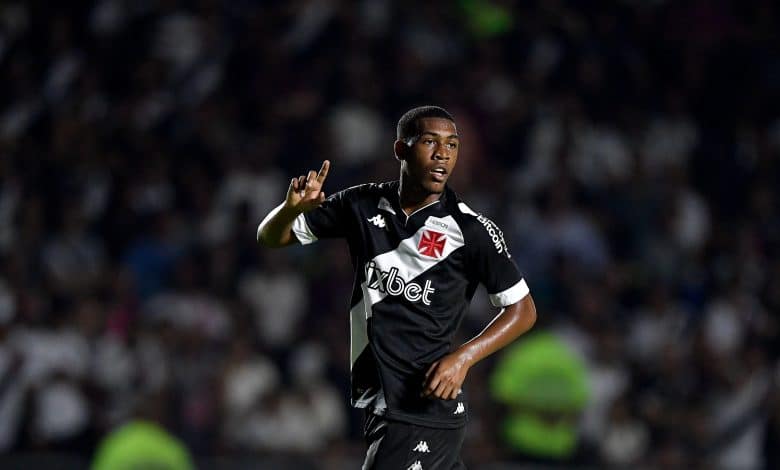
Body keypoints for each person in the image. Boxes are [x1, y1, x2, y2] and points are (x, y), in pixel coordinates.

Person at [258, 105, 537, 469]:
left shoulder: (470, 230)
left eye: (452, 145)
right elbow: (270, 237)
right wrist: (290, 209)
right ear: (401, 149)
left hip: (420, 407)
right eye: (430, 142)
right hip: (383, 402)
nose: (443, 154)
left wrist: (463, 358)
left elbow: (523, 310)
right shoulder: (361, 204)